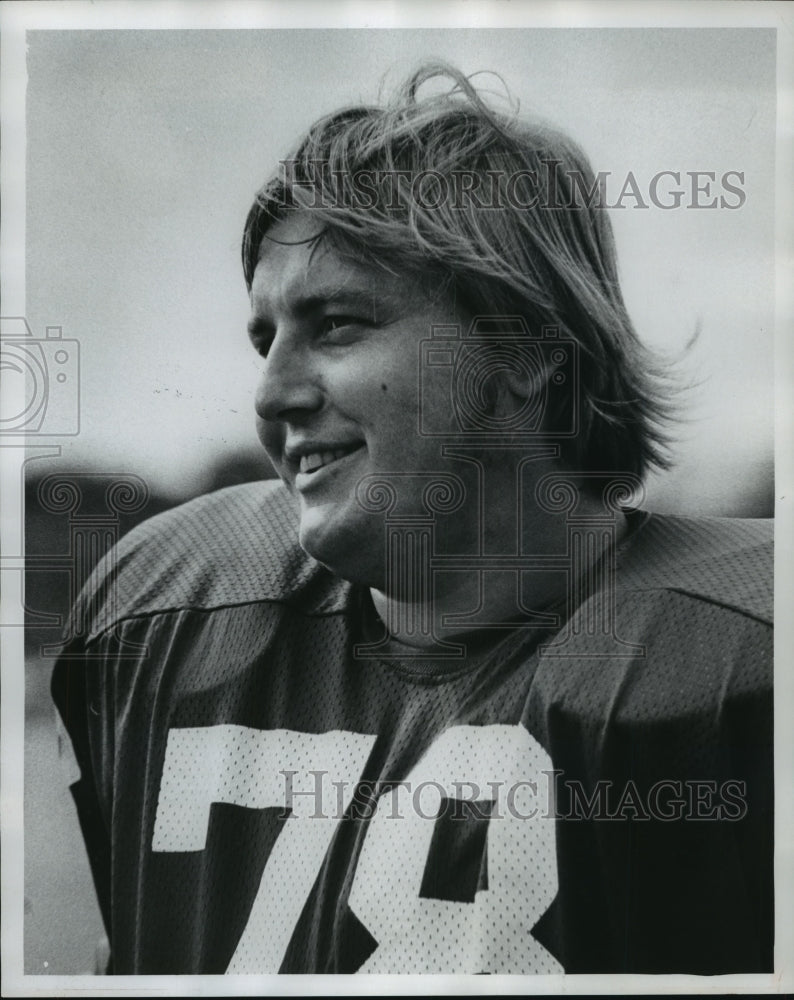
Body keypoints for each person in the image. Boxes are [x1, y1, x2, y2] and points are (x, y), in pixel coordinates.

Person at [52, 63, 773, 975]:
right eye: (264, 338)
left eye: (339, 323)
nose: (274, 392)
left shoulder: (742, 657)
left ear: (528, 350)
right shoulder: (164, 613)